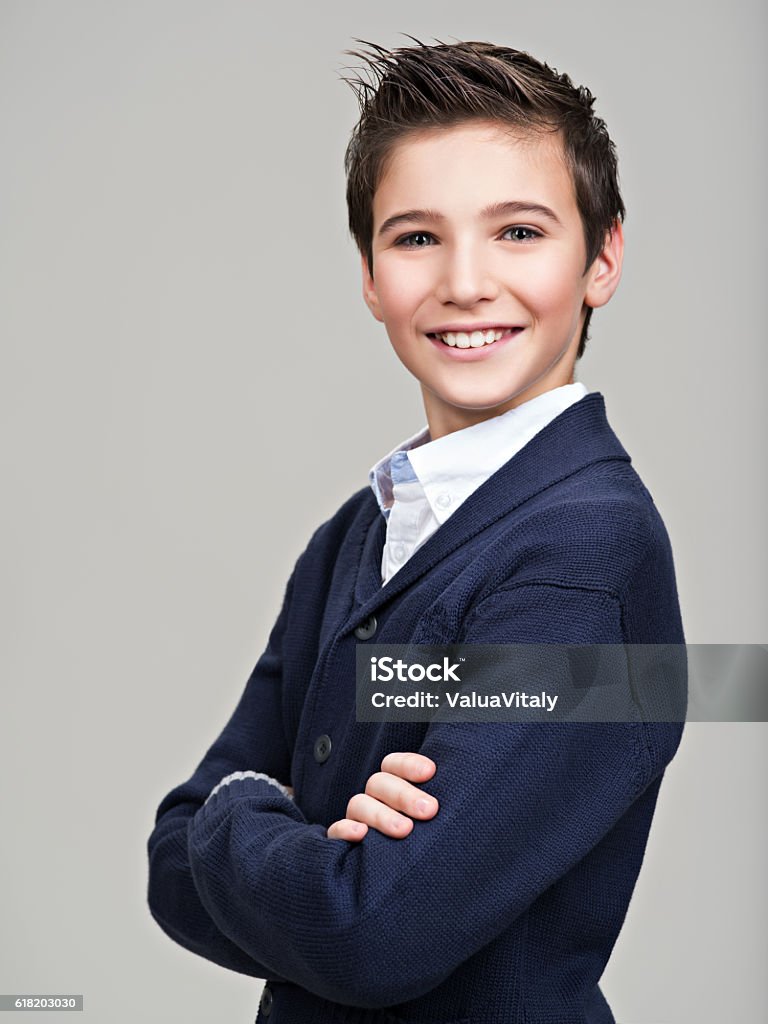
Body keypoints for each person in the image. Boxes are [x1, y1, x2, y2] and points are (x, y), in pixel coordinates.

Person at [146, 37, 686, 1024]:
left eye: (519, 232)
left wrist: (233, 816)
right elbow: (166, 867)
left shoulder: (583, 557)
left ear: (602, 256)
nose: (466, 283)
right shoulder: (351, 536)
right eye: (416, 237)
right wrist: (293, 841)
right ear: (369, 273)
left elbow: (369, 932)